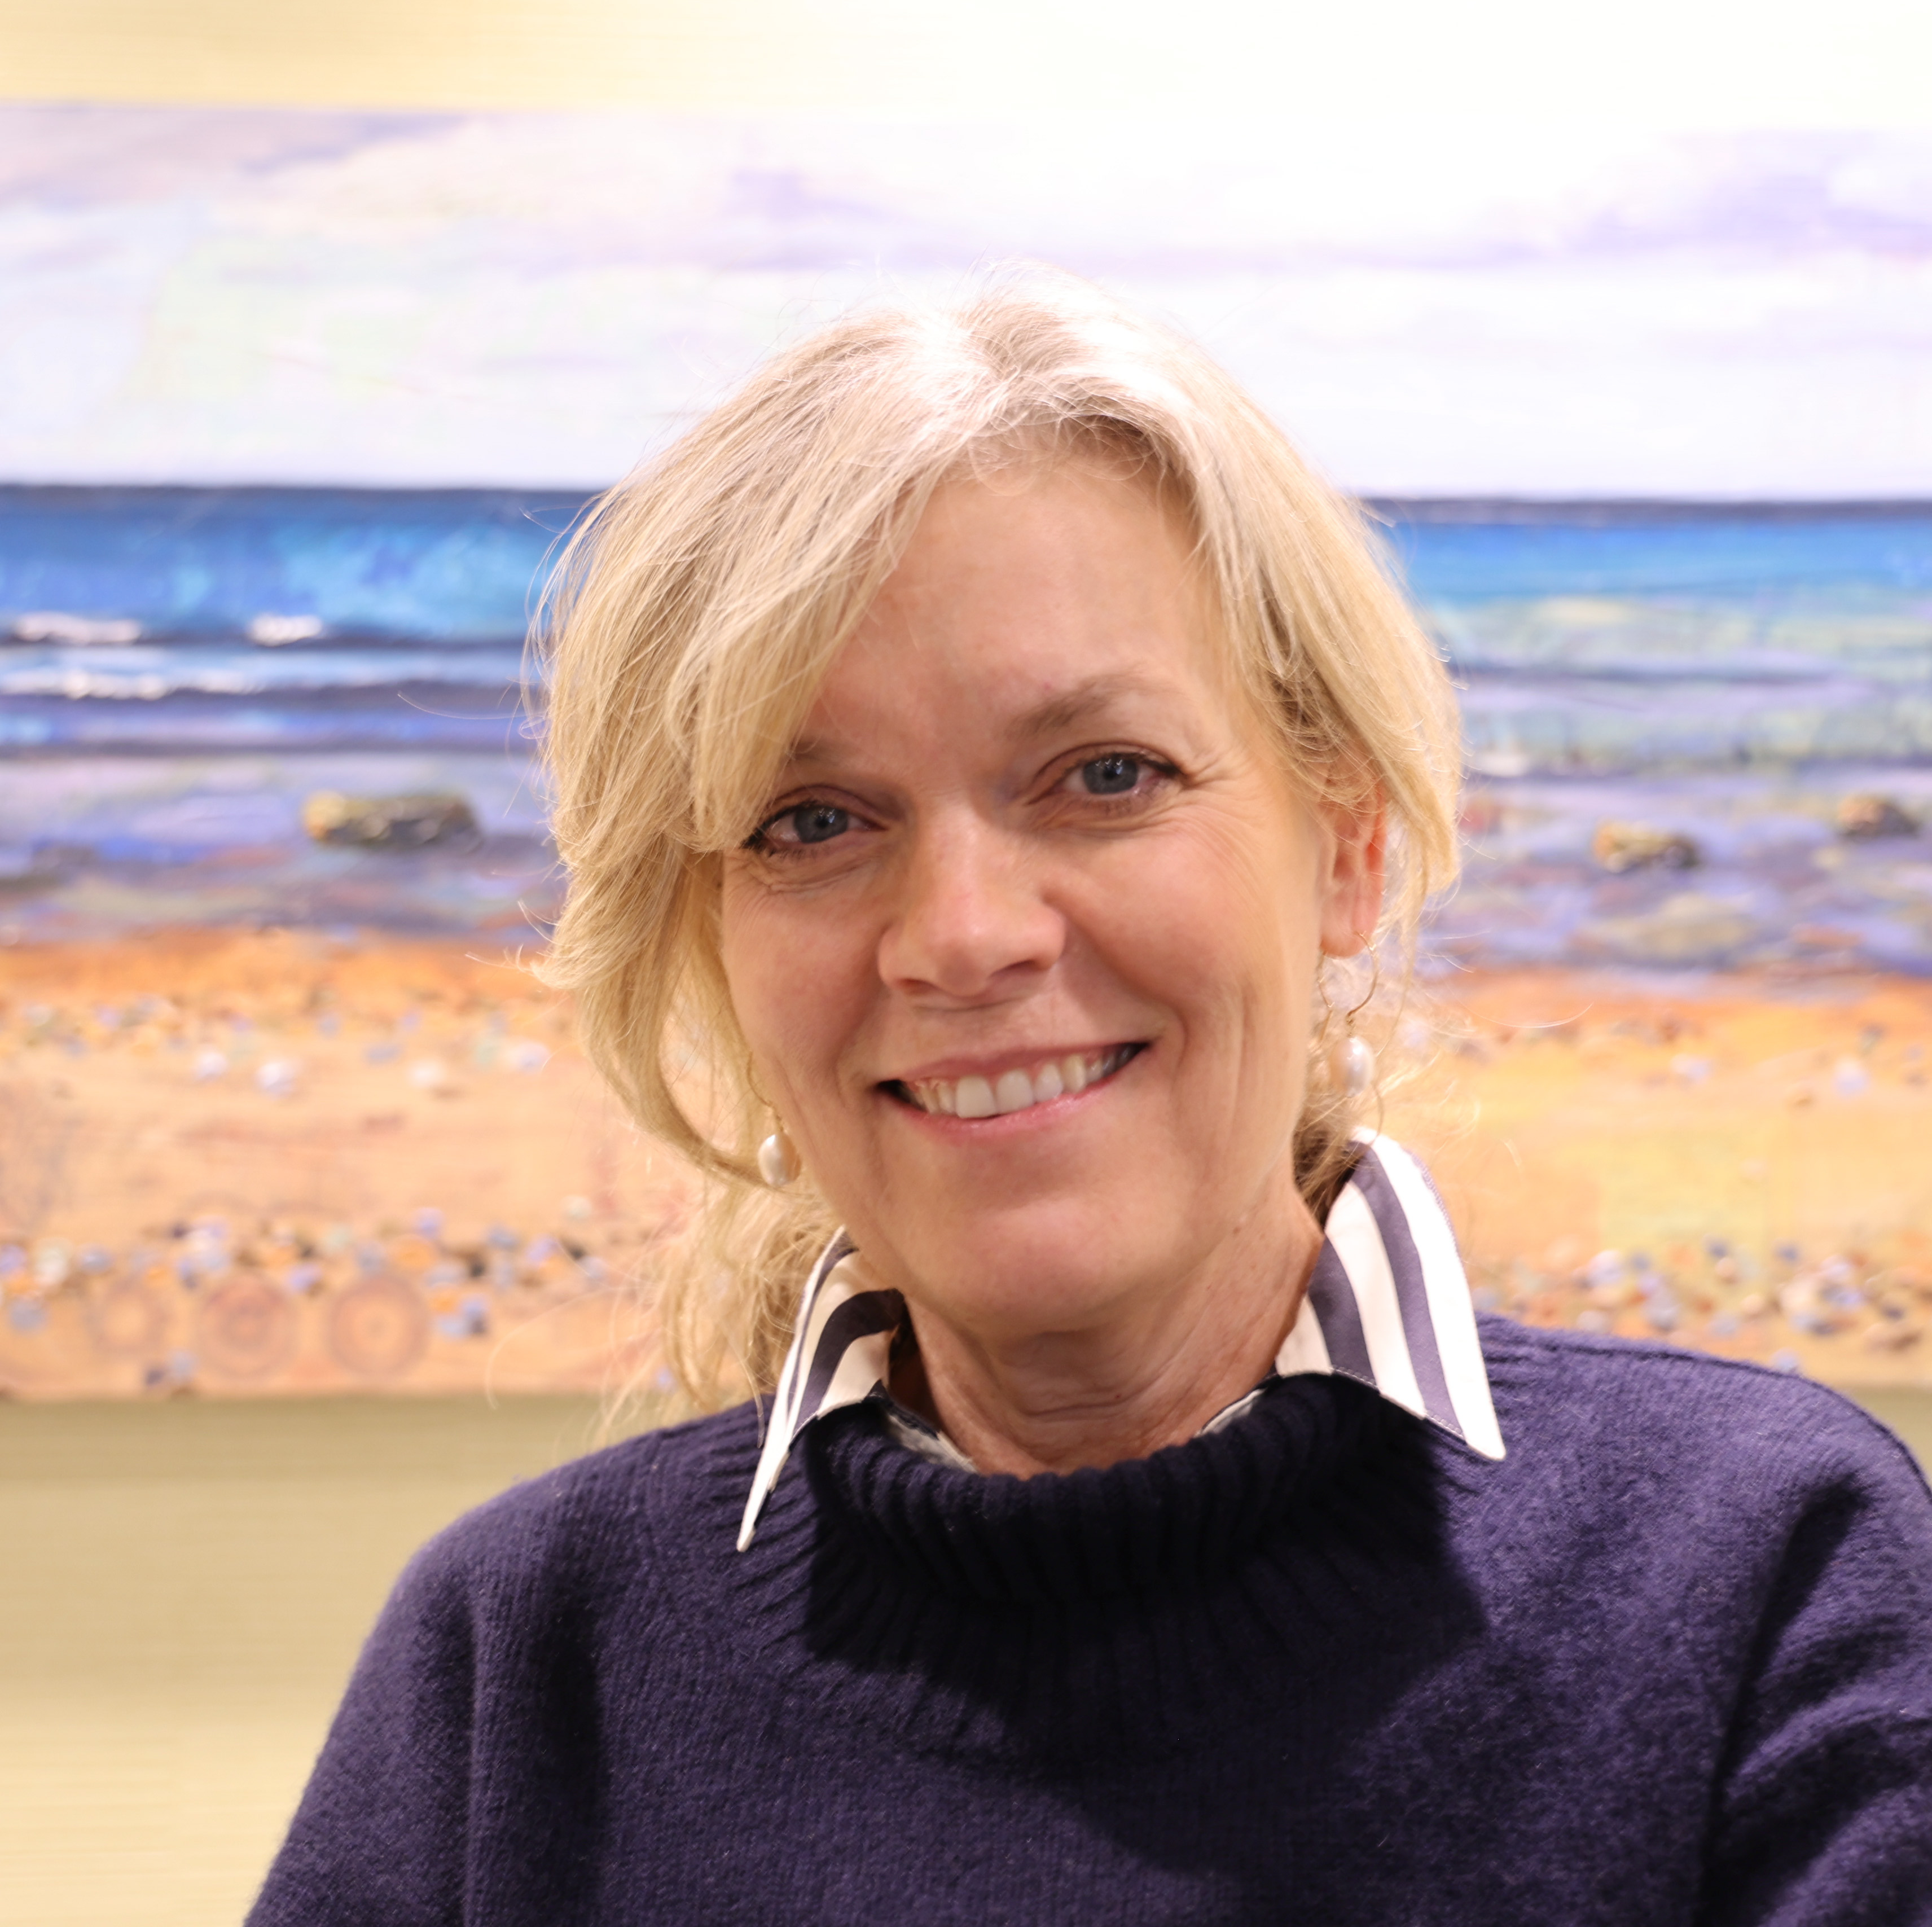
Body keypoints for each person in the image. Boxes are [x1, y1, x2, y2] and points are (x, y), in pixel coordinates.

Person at [250, 280, 1932, 1925]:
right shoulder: (522, 1668)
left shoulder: (1762, 1578)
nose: (966, 936)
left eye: (1105, 777)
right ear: (711, 939)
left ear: (1345, 845)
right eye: (813, 821)